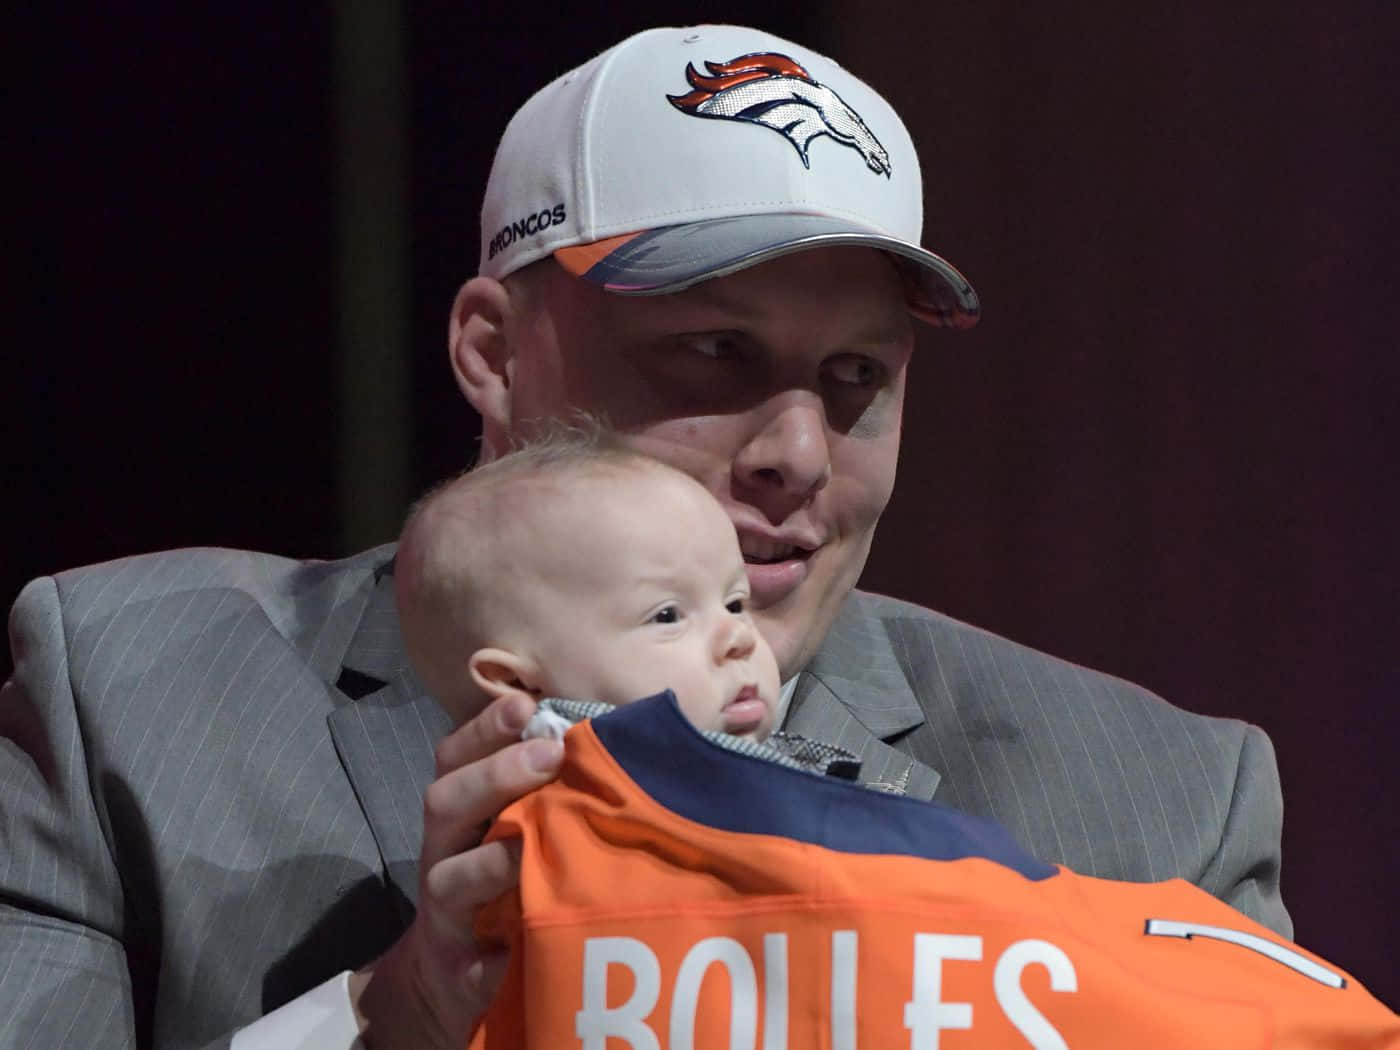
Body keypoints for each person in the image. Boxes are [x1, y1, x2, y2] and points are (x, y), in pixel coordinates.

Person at [0, 23, 1290, 1050]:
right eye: (713, 352)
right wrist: (387, 1018)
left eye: (855, 378)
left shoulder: (1156, 804)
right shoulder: (132, 694)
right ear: (492, 353)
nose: (795, 451)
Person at [392, 430, 781, 742]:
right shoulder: (578, 824)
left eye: (734, 604)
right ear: (519, 683)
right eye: (667, 615)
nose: (739, 637)